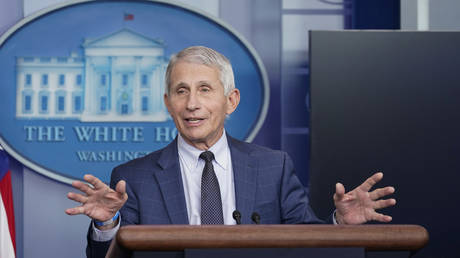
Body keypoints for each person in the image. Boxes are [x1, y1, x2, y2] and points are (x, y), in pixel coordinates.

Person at [65, 46, 396, 257]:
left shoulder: (274, 167)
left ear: (231, 101)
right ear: (168, 104)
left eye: (205, 90)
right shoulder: (132, 177)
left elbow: (306, 241)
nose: (192, 104)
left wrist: (341, 224)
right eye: (181, 91)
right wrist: (108, 223)